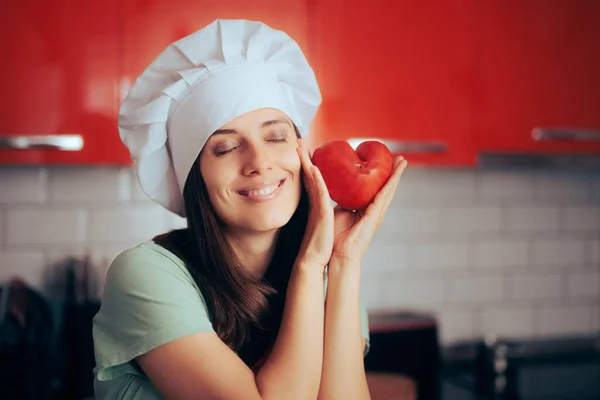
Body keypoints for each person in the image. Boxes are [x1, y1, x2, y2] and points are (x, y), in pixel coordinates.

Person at [92, 19, 407, 400]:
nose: (259, 162)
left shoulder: (330, 268)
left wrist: (343, 263)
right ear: (196, 177)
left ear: (302, 152)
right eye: (225, 148)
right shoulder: (145, 275)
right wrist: (310, 267)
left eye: (276, 136)